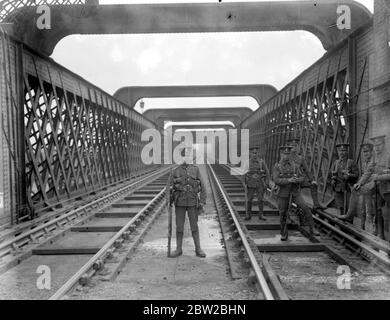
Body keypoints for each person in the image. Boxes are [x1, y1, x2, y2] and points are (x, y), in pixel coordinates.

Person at [167, 147, 207, 258]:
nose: (187, 158)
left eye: (189, 156)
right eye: (185, 156)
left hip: (192, 202)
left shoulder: (196, 169)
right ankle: (178, 249)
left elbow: (203, 186)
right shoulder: (175, 170)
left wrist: (202, 202)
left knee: (194, 226)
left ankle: (198, 248)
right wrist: (168, 201)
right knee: (179, 227)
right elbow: (169, 187)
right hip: (179, 202)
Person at [273, 146, 320, 241]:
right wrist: (289, 180)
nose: (286, 156)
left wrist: (297, 180)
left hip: (295, 192)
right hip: (283, 194)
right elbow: (276, 180)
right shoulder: (277, 166)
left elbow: (302, 177)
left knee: (305, 208)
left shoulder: (295, 166)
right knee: (283, 213)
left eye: (288, 154)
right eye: (284, 154)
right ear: (281, 154)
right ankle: (283, 233)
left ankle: (312, 228)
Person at [338, 141, 376, 230]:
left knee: (373, 210)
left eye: (367, 151)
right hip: (368, 187)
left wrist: (359, 182)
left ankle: (349, 215)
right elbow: (365, 175)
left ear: (371, 151)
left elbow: (366, 174)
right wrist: (359, 183)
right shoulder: (365, 162)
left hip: (374, 186)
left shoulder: (374, 161)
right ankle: (363, 228)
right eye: (364, 152)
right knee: (364, 210)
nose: (365, 154)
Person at [288, 138, 325, 211]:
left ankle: (316, 204)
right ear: (289, 147)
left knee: (313, 185)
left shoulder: (300, 158)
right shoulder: (287, 157)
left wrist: (312, 180)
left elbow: (307, 170)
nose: (294, 148)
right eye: (292, 146)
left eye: (295, 146)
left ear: (297, 147)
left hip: (299, 180)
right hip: (290, 181)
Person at [370, 135, 390, 240]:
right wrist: (360, 182)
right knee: (378, 212)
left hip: (387, 190)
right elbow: (369, 171)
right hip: (378, 189)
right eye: (375, 146)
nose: (377, 148)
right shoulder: (375, 156)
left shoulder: (388, 156)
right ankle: (380, 234)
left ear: (384, 144)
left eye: (379, 145)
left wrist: (378, 177)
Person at [331, 143, 359, 216]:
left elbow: (357, 175)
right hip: (338, 188)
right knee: (340, 207)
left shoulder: (351, 162)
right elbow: (333, 173)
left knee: (348, 208)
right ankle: (341, 224)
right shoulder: (336, 162)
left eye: (344, 150)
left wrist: (349, 175)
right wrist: (333, 179)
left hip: (348, 188)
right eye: (340, 151)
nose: (342, 153)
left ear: (347, 152)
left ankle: (349, 223)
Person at [244, 147, 270, 221]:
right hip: (250, 184)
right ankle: (248, 215)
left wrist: (267, 182)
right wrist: (244, 183)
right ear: (250, 154)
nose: (255, 155)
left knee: (261, 200)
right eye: (253, 153)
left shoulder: (261, 162)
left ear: (258, 153)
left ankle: (261, 215)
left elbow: (267, 172)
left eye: (256, 153)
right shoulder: (247, 162)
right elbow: (243, 174)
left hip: (260, 184)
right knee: (249, 200)